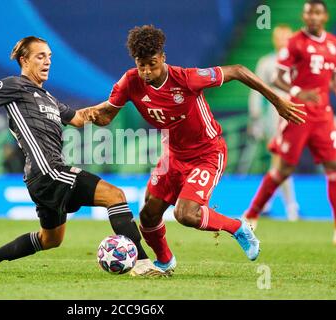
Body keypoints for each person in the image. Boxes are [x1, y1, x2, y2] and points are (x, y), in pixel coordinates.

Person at [0, 36, 165, 276]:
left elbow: (79, 119)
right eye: (40, 56)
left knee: (51, 240)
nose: (47, 61)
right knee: (115, 196)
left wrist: (119, 99)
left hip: (41, 177)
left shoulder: (50, 99)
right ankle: (142, 263)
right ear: (24, 60)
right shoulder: (14, 86)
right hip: (48, 170)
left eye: (49, 56)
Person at [84, 25, 306, 274]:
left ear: (163, 58)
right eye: (141, 64)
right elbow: (107, 116)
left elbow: (238, 70)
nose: (146, 71)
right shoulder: (130, 81)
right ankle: (165, 262)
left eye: (152, 64)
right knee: (148, 215)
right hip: (173, 156)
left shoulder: (187, 78)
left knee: (186, 214)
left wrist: (277, 102)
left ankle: (237, 227)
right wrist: (91, 116)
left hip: (208, 153)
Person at [243, 0, 336, 244]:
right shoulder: (295, 42)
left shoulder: (332, 43)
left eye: (317, 13)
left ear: (324, 16)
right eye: (308, 13)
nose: (312, 17)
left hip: (324, 116)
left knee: (333, 169)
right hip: (297, 113)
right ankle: (252, 213)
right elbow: (278, 76)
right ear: (304, 17)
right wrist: (299, 91)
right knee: (283, 169)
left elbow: (331, 79)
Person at [246, 24, 300, 223]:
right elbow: (255, 90)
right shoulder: (267, 62)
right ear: (274, 40)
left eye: (287, 36)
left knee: (280, 164)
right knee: (281, 161)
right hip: (276, 119)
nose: (283, 40)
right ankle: (291, 208)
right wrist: (256, 117)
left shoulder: (299, 61)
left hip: (302, 118)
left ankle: (265, 204)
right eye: (279, 37)